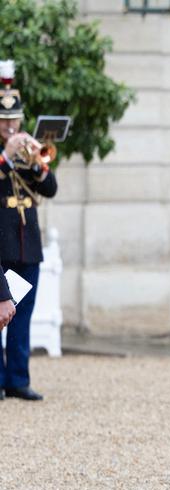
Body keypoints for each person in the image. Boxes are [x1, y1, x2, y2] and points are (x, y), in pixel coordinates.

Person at [0, 60, 57, 401]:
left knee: (22, 316)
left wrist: (37, 163)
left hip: (26, 245)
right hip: (2, 245)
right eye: (3, 120)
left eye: (14, 120)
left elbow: (50, 188)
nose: (9, 126)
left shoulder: (26, 151)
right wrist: (5, 157)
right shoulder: (5, 155)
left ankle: (17, 379)